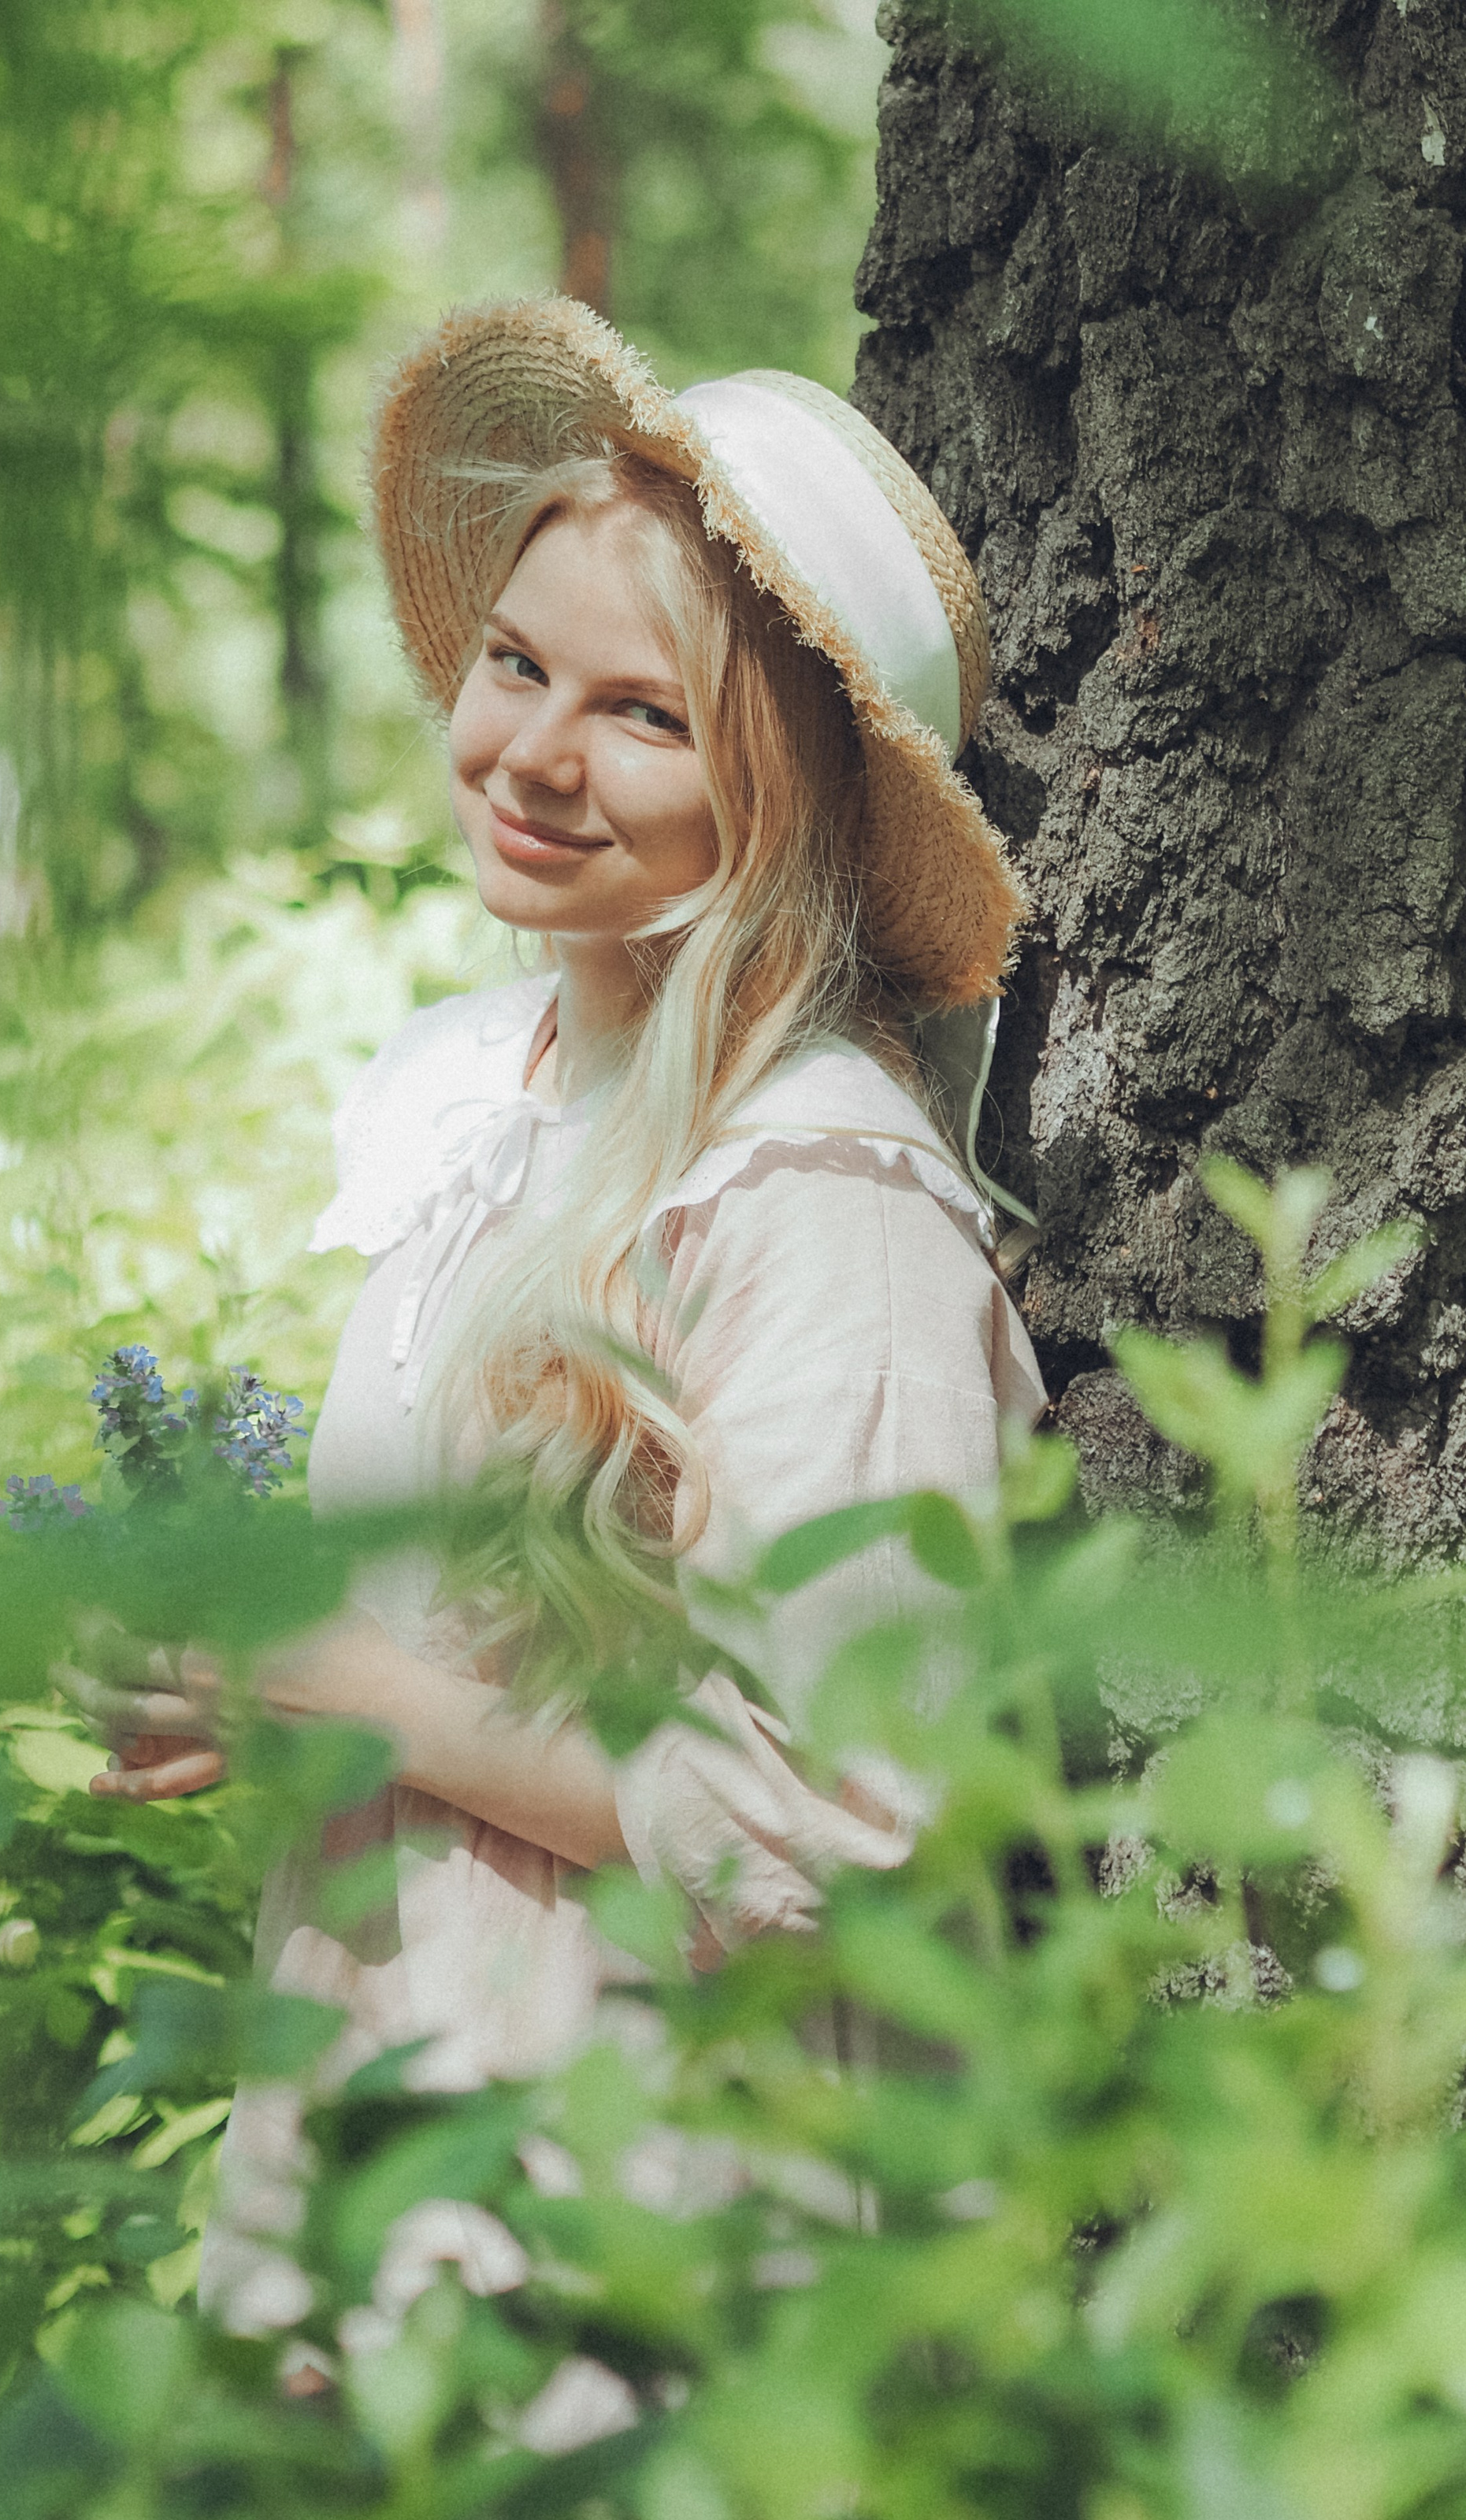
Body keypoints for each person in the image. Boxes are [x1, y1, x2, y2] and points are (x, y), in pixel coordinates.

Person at [59, 298, 1046, 2338]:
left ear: (776, 788)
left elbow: (835, 1825)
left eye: (647, 714)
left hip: (641, 2205)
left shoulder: (819, 1204)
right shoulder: (487, 1109)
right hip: (394, 2123)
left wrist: (367, 1686)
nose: (531, 753)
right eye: (516, 665)